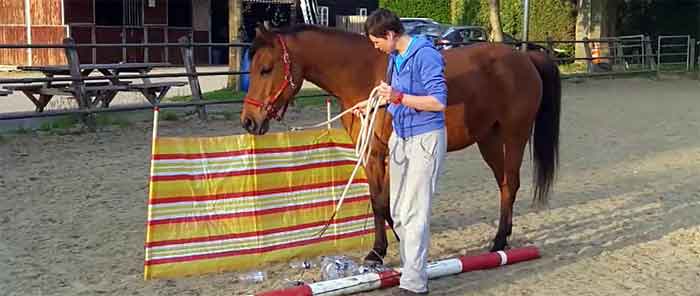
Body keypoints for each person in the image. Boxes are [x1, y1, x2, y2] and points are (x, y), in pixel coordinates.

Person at [353, 8, 448, 295]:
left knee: (414, 212)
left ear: (391, 34)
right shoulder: (395, 57)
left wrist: (398, 97)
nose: (375, 47)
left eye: (376, 41)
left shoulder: (425, 55)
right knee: (397, 210)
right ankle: (412, 272)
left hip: (424, 139)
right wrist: (373, 105)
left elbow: (438, 101)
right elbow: (395, 95)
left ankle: (414, 284)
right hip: (402, 137)